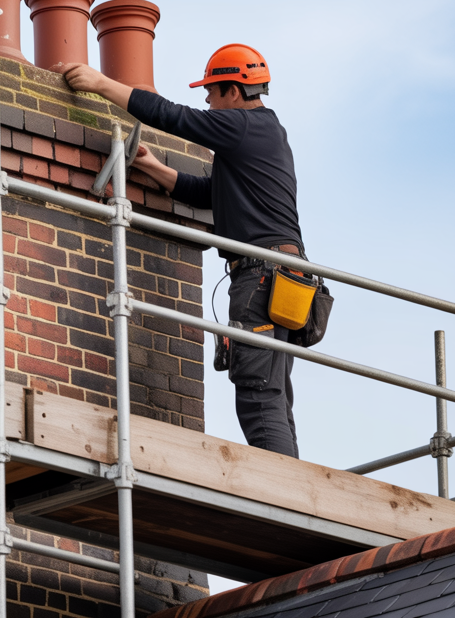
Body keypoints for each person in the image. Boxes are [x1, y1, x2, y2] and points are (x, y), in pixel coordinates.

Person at [54, 44, 304, 458]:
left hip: (261, 277)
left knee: (258, 394)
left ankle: (285, 490)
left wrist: (101, 84)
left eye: (211, 91)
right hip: (284, 278)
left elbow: (172, 116)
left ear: (234, 91)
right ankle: (294, 485)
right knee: (272, 394)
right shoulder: (264, 133)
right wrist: (153, 167)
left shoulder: (242, 125)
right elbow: (210, 193)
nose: (206, 99)